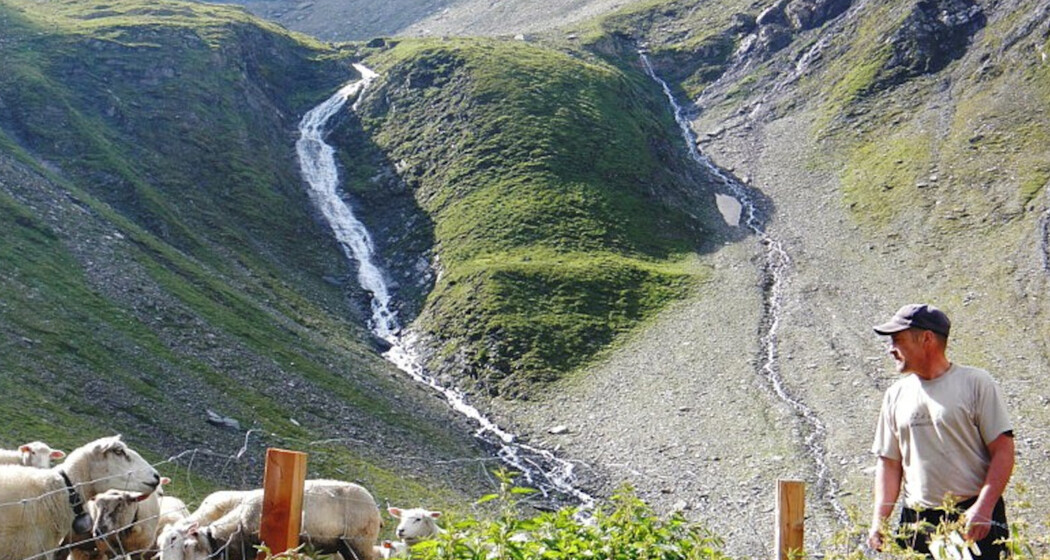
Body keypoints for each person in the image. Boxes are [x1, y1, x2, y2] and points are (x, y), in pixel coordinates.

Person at [867, 303, 1015, 558]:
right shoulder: (895, 395)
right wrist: (879, 521)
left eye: (898, 340)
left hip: (972, 517)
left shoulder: (976, 383)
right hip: (916, 523)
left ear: (927, 338)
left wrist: (984, 507)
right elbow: (890, 464)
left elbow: (1003, 450)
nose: (891, 349)